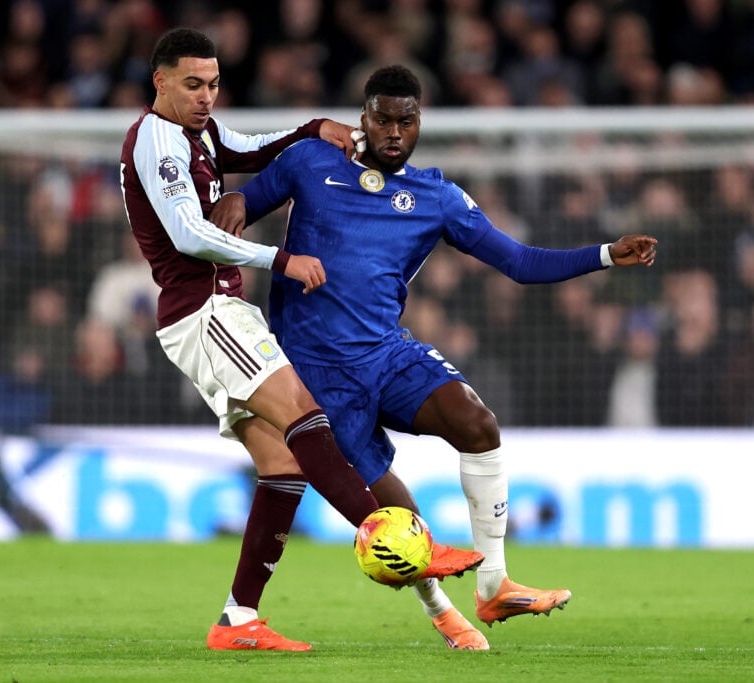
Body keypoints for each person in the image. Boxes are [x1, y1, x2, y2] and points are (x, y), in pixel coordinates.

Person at [212, 64, 658, 650]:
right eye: (384, 119)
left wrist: (605, 254)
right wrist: (236, 205)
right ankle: (446, 616)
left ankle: (495, 584)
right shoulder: (309, 163)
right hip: (316, 376)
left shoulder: (436, 196)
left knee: (477, 422)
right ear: (363, 119)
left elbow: (519, 263)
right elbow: (246, 197)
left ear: (420, 123)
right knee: (398, 518)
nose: (395, 131)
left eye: (408, 120)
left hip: (387, 354)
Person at [119, 32, 481, 653]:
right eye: (191, 85)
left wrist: (317, 128)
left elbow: (254, 148)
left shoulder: (199, 131)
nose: (206, 97)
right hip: (203, 310)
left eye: (213, 84)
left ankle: (238, 619)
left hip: (220, 309)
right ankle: (393, 537)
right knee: (306, 418)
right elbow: (189, 235)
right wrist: (279, 258)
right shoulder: (155, 142)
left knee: (284, 465)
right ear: (160, 82)